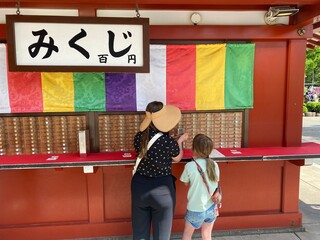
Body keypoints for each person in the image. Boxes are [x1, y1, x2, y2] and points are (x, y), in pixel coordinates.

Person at [131, 101, 188, 240]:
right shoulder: (168, 142)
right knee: (162, 235)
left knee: (140, 233)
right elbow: (178, 158)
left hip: (139, 187)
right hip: (162, 190)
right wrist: (179, 142)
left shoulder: (139, 137)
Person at [180, 134, 220, 240]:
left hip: (195, 208)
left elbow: (185, 182)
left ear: (194, 149)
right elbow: (216, 182)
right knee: (207, 235)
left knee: (187, 234)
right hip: (211, 207)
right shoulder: (214, 164)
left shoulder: (190, 166)